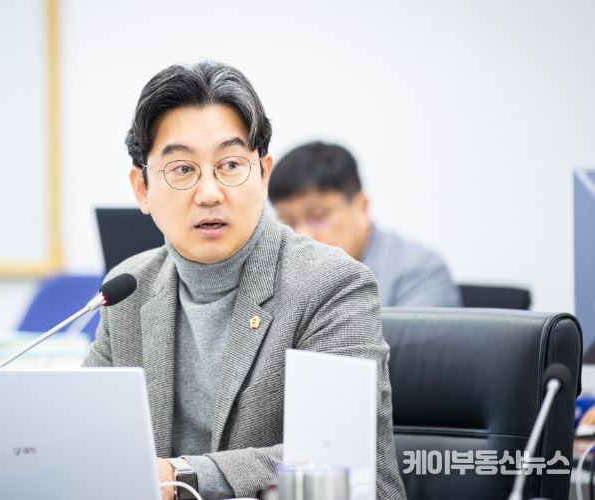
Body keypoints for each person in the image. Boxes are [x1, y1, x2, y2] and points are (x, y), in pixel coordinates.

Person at [83, 62, 407, 500]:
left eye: (231, 165)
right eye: (182, 169)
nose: (209, 193)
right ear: (142, 189)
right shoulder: (128, 289)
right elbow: (90, 442)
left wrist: (183, 476)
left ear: (263, 174)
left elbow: (345, 469)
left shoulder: (332, 285)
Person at [269, 142, 462, 307]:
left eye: (317, 217)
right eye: (288, 221)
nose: (302, 234)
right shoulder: (276, 273)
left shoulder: (417, 270)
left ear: (362, 207)